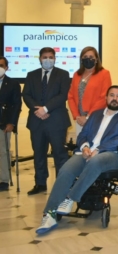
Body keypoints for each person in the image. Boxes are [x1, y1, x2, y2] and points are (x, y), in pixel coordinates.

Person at [35, 85, 118, 235]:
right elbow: (83, 134)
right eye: (112, 95)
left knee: (97, 161)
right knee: (66, 169)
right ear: (106, 98)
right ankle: (49, 214)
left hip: (114, 155)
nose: (115, 98)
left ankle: (70, 198)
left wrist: (99, 149)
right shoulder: (95, 115)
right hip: (87, 153)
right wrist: (84, 147)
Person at [22, 47, 71, 195]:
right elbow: (26, 95)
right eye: (45, 57)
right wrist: (39, 110)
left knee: (60, 154)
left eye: (51, 57)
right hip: (37, 121)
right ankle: (40, 183)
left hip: (56, 121)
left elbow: (63, 95)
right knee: (38, 154)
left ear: (55, 58)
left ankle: (61, 185)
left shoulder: (63, 74)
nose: (48, 59)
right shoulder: (31, 75)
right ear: (40, 59)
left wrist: (46, 109)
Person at [68, 46, 112, 136]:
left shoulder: (104, 74)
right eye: (85, 57)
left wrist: (88, 117)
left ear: (96, 59)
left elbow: (104, 97)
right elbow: (71, 96)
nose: (88, 59)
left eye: (91, 57)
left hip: (96, 117)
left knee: (94, 146)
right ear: (81, 59)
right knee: (81, 146)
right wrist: (77, 116)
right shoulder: (76, 74)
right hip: (80, 119)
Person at [0, 56, 22, 191]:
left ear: (7, 68)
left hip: (4, 123)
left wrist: (12, 123)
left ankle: (3, 180)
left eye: (2, 65)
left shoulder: (13, 84)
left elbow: (16, 105)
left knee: (3, 152)